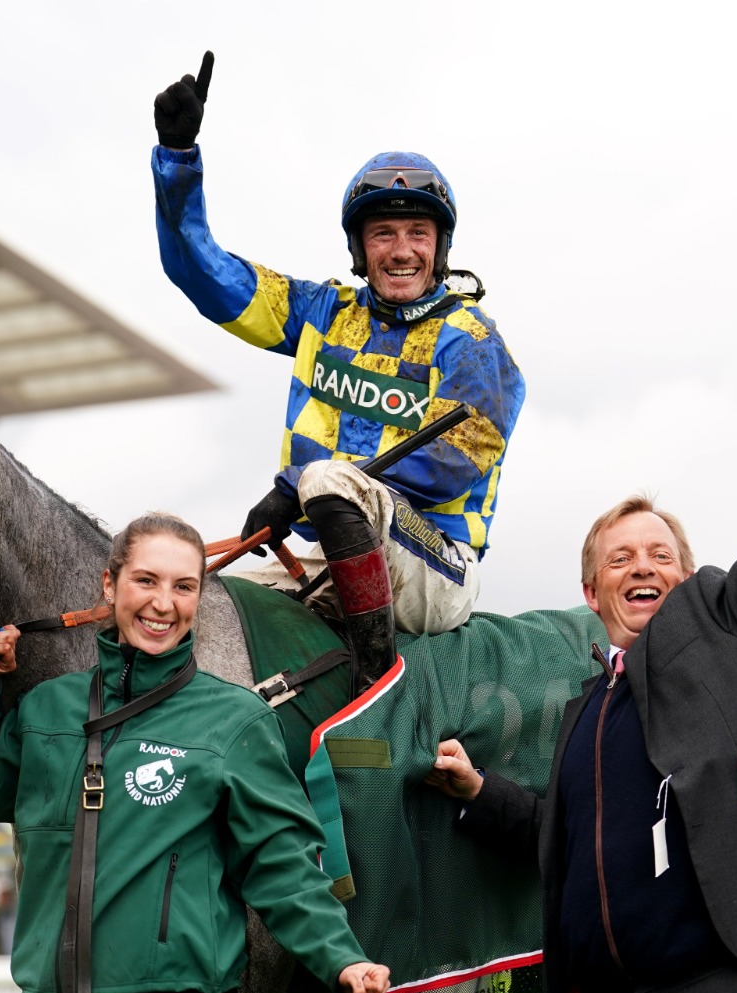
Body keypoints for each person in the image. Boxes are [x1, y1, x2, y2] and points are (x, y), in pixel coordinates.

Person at [425, 290, 737, 993]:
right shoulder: (586, 713)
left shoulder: (731, 637)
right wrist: (480, 794)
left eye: (659, 555)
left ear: (684, 574)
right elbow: (565, 837)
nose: (641, 567)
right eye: (620, 558)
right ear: (591, 588)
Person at [151, 52, 525, 684]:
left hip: (435, 567)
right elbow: (204, 274)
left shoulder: (477, 346)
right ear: (358, 248)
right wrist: (177, 158)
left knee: (327, 478)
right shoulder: (320, 312)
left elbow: (449, 461)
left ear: (440, 248)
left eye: (417, 233)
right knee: (193, 600)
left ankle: (377, 682)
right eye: (383, 234)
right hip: (330, 555)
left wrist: (299, 486)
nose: (401, 250)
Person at [0, 512, 389, 993]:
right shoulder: (45, 709)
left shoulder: (234, 719)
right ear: (109, 584)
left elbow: (281, 865)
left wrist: (342, 959)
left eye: (183, 587)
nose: (163, 604)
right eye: (146, 580)